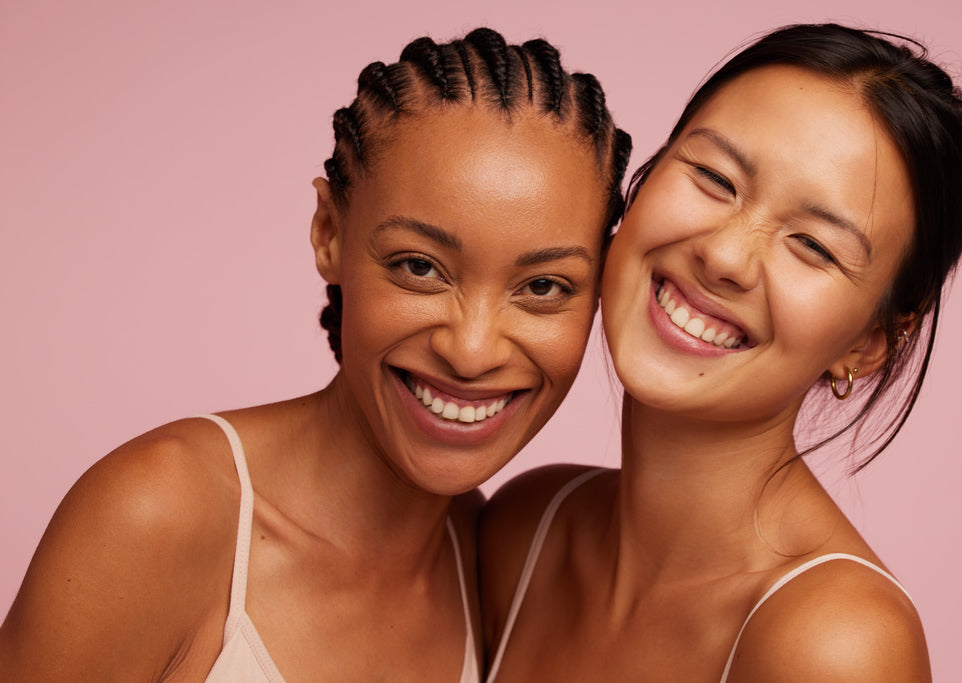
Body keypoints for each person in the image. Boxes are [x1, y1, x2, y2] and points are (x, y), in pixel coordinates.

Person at [0, 28, 630, 681]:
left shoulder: (484, 564)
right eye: (419, 266)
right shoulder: (158, 514)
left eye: (543, 286)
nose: (471, 351)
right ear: (329, 231)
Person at [481, 23, 962, 681]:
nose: (723, 255)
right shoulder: (526, 527)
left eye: (813, 245)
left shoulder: (839, 646)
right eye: (715, 178)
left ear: (868, 343)